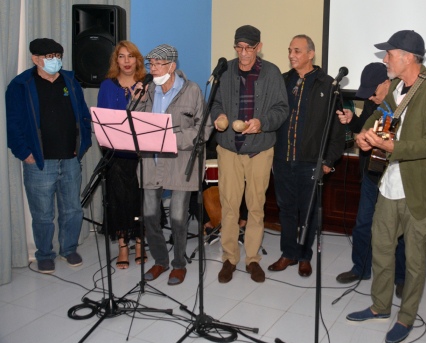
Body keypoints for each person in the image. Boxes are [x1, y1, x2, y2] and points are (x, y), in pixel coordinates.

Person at [345, 30, 426, 343]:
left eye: (389, 54)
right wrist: (366, 136)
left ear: (407, 57)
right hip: (389, 184)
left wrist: (390, 145)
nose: (385, 59)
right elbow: (382, 118)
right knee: (381, 248)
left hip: (420, 188)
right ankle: (380, 307)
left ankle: (405, 317)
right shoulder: (395, 87)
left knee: (415, 259)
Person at [6, 38, 92, 273]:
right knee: (43, 214)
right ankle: (44, 253)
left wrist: (82, 145)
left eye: (58, 55)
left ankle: (69, 249)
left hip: (70, 158)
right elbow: (12, 124)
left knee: (72, 208)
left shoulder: (71, 81)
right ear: (36, 59)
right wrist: (25, 153)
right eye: (49, 56)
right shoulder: (21, 84)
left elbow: (84, 116)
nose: (55, 60)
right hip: (40, 162)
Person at [211, 25, 288, 283]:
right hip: (230, 148)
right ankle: (229, 258)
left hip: (260, 150)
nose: (243, 53)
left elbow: (281, 108)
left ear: (259, 47)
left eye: (249, 48)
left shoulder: (272, 73)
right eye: (239, 47)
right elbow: (216, 102)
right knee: (230, 206)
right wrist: (218, 116)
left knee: (256, 207)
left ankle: (252, 259)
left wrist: (262, 122)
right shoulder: (225, 71)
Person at [266, 34, 345, 278]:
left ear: (311, 54)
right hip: (282, 159)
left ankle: (304, 256)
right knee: (286, 209)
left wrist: (328, 162)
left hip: (311, 161)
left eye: (297, 51)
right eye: (290, 50)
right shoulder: (282, 81)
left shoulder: (328, 84)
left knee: (308, 211)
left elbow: (337, 129)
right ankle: (288, 253)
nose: (291, 55)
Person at [139, 44, 209, 286]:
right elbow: (133, 121)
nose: (153, 69)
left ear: (172, 66)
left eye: (158, 64)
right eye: (151, 64)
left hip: (181, 163)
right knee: (150, 215)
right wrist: (136, 95)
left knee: (178, 218)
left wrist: (172, 138)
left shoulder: (192, 90)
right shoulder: (147, 90)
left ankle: (179, 264)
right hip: (151, 162)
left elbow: (204, 128)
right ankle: (160, 261)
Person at [336, 63, 407, 298]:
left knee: (398, 230)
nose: (371, 98)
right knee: (363, 223)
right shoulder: (372, 102)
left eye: (374, 92)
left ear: (387, 83)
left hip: (397, 177)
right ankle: (360, 268)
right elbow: (368, 128)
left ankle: (401, 278)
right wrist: (352, 120)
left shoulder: (402, 105)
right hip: (372, 173)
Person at [97, 40, 146, 269]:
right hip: (116, 154)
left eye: (131, 56)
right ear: (116, 60)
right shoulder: (108, 86)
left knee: (140, 199)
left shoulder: (148, 85)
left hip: (142, 153)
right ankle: (123, 246)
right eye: (122, 57)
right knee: (119, 200)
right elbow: (103, 123)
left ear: (138, 59)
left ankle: (140, 242)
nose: (127, 61)